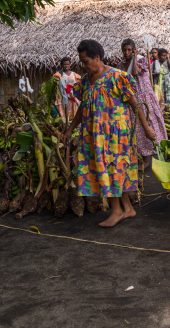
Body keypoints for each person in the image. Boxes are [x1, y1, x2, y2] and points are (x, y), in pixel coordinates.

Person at [64, 39, 156, 228]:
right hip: (94, 135)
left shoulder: (117, 77)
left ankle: (116, 211)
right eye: (81, 62)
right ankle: (128, 208)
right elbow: (83, 108)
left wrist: (146, 128)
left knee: (114, 170)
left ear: (97, 57)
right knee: (107, 170)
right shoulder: (85, 83)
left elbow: (135, 103)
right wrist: (71, 128)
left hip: (115, 136)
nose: (83, 66)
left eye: (86, 61)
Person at [118, 39, 168, 169]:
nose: (126, 52)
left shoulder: (142, 60)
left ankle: (157, 153)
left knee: (149, 122)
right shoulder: (121, 64)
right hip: (131, 98)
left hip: (144, 97)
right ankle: (142, 157)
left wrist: (135, 56)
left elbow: (135, 72)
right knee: (137, 127)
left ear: (134, 50)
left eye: (129, 50)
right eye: (124, 50)